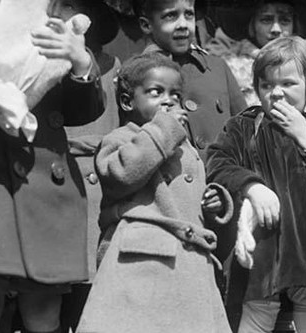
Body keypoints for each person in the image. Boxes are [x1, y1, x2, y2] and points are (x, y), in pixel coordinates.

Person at [206, 36, 306, 333]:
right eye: (266, 85)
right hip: (265, 244)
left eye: (288, 84)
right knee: (256, 316)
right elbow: (217, 162)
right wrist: (252, 186)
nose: (276, 94)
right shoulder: (244, 126)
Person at [76, 51, 234, 333]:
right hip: (140, 263)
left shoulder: (185, 147)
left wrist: (215, 200)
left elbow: (191, 194)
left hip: (187, 265)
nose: (168, 100)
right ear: (127, 101)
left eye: (175, 94)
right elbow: (123, 173)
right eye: (155, 92)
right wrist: (165, 128)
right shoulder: (121, 139)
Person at [0, 0, 104, 331]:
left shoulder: (56, 40)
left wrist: (80, 60)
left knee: (43, 310)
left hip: (42, 186)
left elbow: (83, 110)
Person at [51, 0, 122, 332]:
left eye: (73, 5)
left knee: (91, 291)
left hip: (96, 185)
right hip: (53, 184)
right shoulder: (35, 63)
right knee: (47, 296)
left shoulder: (111, 65)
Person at [133, 0, 246, 160]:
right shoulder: (137, 76)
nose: (183, 25)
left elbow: (245, 130)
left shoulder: (217, 67)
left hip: (226, 177)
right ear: (146, 25)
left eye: (189, 14)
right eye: (171, 16)